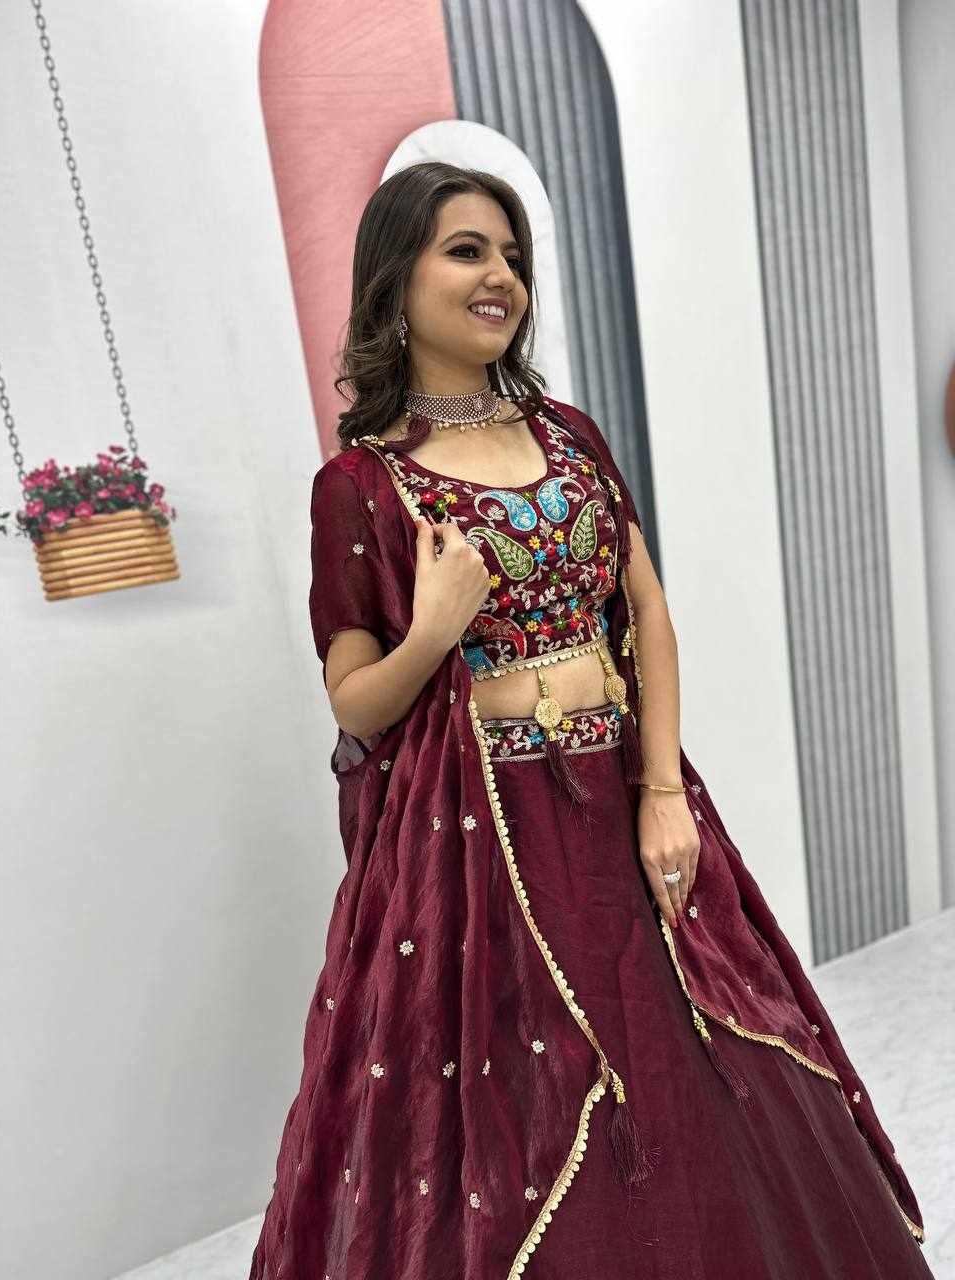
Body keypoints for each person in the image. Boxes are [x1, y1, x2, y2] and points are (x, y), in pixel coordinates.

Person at [249, 162, 933, 1280]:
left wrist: (663, 794)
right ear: (394, 278)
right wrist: (435, 630)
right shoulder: (360, 486)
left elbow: (647, 611)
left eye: (513, 256)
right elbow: (355, 701)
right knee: (532, 1096)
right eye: (467, 250)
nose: (501, 277)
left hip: (620, 798)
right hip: (480, 842)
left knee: (700, 1049)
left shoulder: (568, 435)